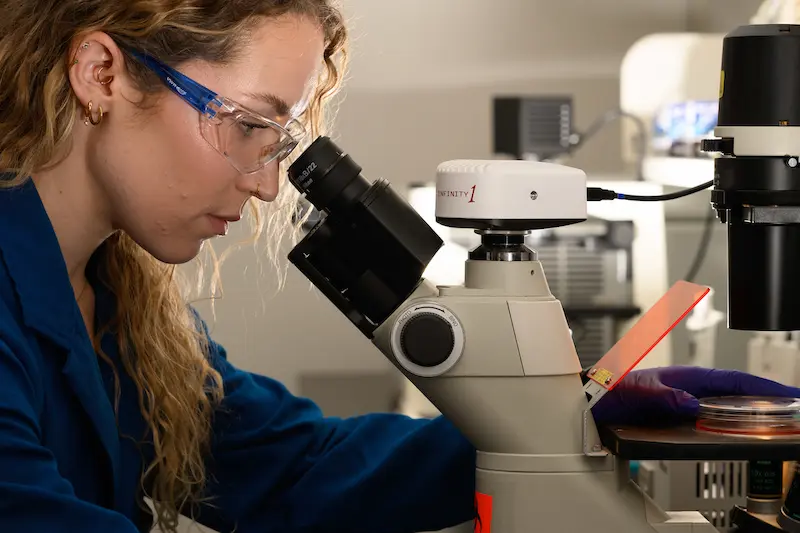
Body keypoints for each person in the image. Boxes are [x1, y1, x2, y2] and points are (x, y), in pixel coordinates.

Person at [0, 1, 798, 532]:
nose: (269, 179)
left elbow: (291, 464)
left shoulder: (124, 301)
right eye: (247, 124)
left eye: (277, 142)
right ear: (101, 72)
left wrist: (566, 425)